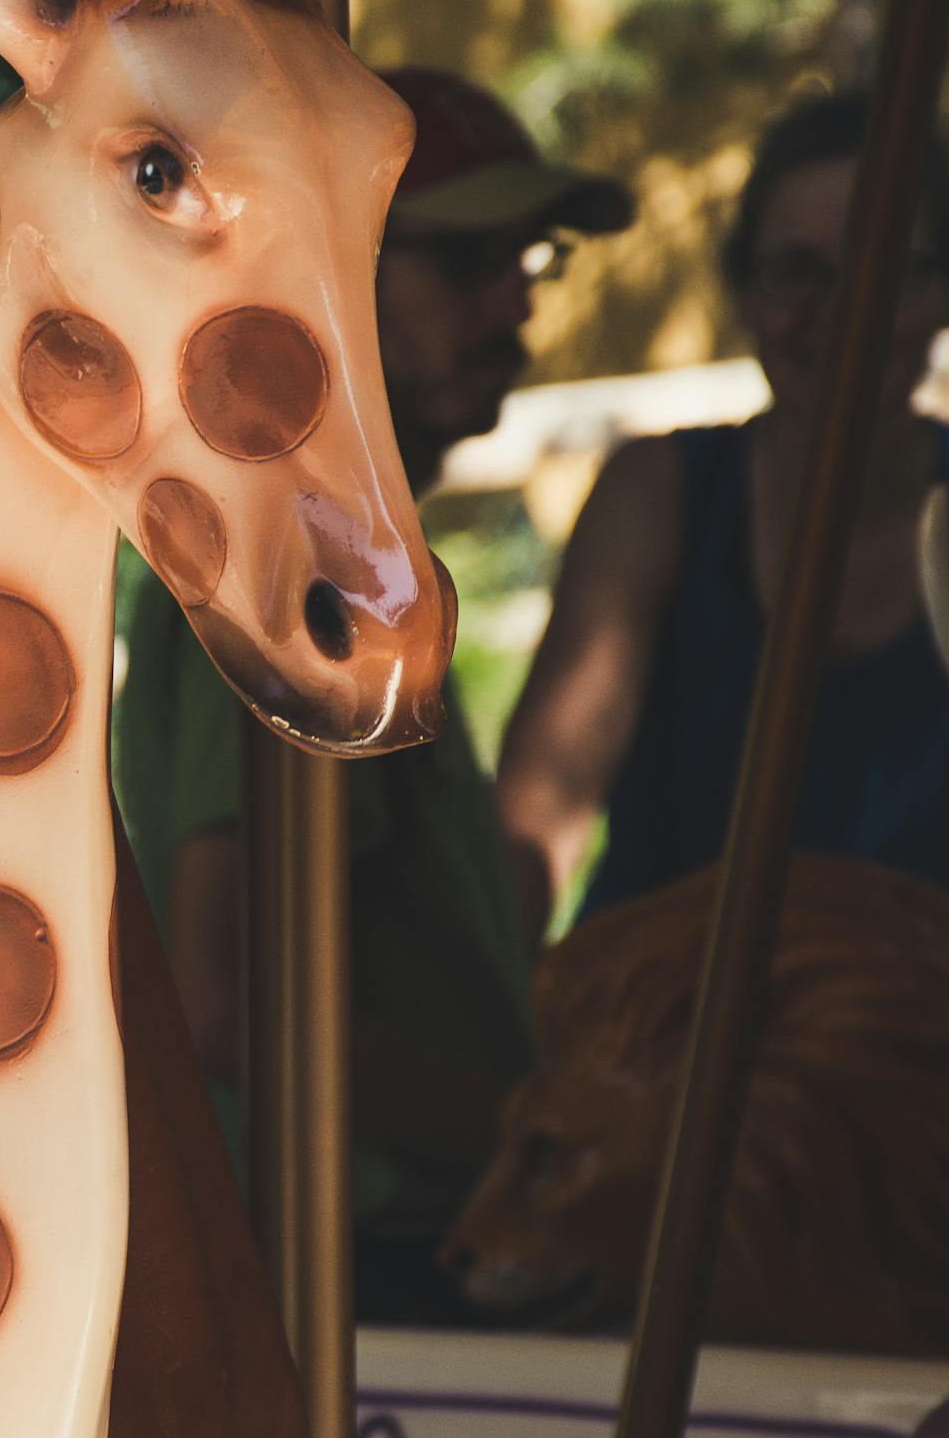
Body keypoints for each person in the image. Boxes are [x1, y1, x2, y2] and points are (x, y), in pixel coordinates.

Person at [108, 67, 633, 1324]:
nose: (514, 304)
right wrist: (529, 1129)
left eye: (530, 263)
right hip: (346, 1257)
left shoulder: (353, 560)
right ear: (332, 283)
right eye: (463, 268)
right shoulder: (289, 571)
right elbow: (238, 1001)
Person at [491, 89, 949, 947]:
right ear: (742, 292)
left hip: (929, 1049)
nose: (844, 312)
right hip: (668, 1038)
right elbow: (541, 810)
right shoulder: (661, 498)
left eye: (887, 270)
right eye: (795, 274)